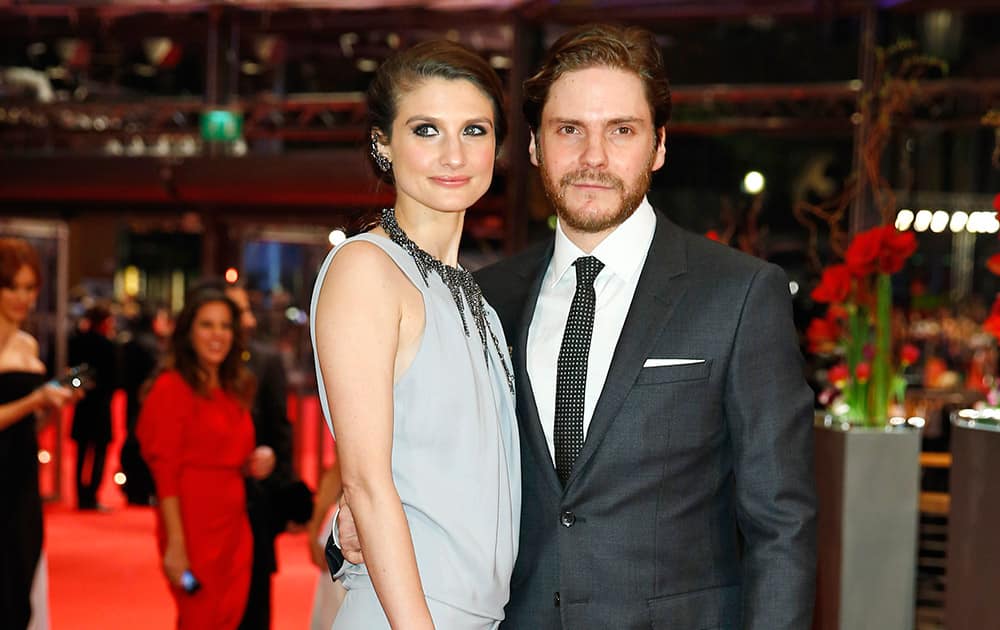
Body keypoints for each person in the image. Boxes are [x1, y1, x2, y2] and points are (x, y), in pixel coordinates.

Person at [335, 24, 817, 629]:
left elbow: (783, 524)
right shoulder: (487, 299)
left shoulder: (739, 294)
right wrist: (345, 520)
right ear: (535, 146)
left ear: (659, 146)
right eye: (569, 130)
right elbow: (432, 463)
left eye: (621, 131)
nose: (594, 158)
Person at [309, 39, 520, 629]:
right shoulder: (366, 269)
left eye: (474, 131)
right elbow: (367, 483)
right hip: (409, 616)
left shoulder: (471, 292)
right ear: (383, 144)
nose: (454, 154)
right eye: (426, 130)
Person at [137, 287, 275, 629]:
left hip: (236, 528)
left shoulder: (235, 386)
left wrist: (260, 460)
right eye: (207, 325)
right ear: (188, 332)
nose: (218, 335)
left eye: (225, 326)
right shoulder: (170, 388)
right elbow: (164, 473)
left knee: (230, 615)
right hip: (191, 528)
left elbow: (232, 451)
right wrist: (176, 546)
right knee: (198, 616)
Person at [0, 237, 77, 629]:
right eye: (12, 286)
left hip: (22, 474)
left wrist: (48, 403)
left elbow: (29, 420)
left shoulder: (28, 344)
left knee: (22, 576)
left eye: (30, 288)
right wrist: (33, 401)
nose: (22, 297)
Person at [69, 303, 117, 510]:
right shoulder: (108, 346)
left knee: (81, 452)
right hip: (100, 406)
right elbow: (115, 378)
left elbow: (70, 371)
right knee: (98, 452)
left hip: (82, 404)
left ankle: (81, 496)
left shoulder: (77, 342)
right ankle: (91, 495)